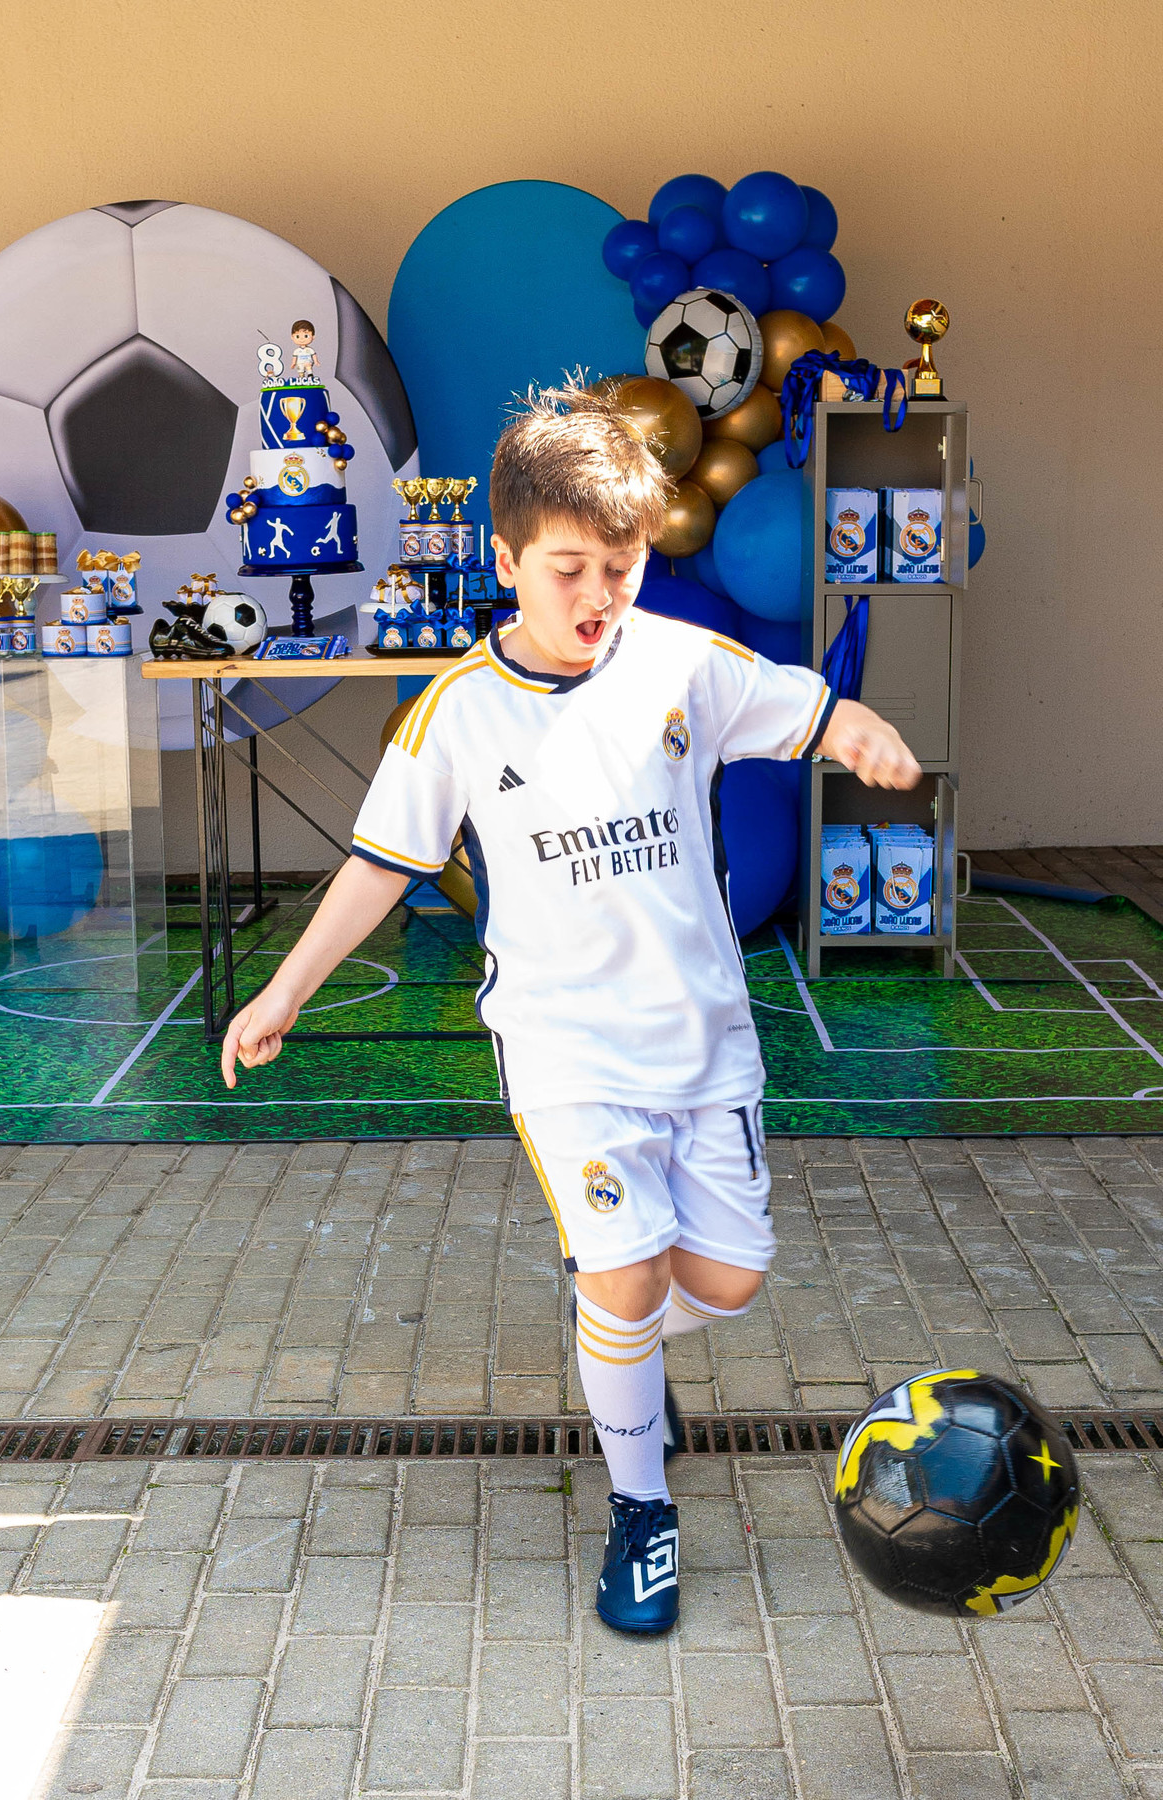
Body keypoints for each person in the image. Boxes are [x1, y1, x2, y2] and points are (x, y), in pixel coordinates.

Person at [220, 383, 921, 1635]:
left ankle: (622, 1335)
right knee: (628, 1280)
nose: (599, 594)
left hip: (704, 1043)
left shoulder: (682, 664)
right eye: (568, 570)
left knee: (730, 1279)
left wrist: (859, 733)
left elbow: (808, 709)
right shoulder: (454, 715)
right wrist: (282, 992)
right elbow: (378, 867)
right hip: (566, 1054)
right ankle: (642, 1507)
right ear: (505, 561)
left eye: (622, 564)